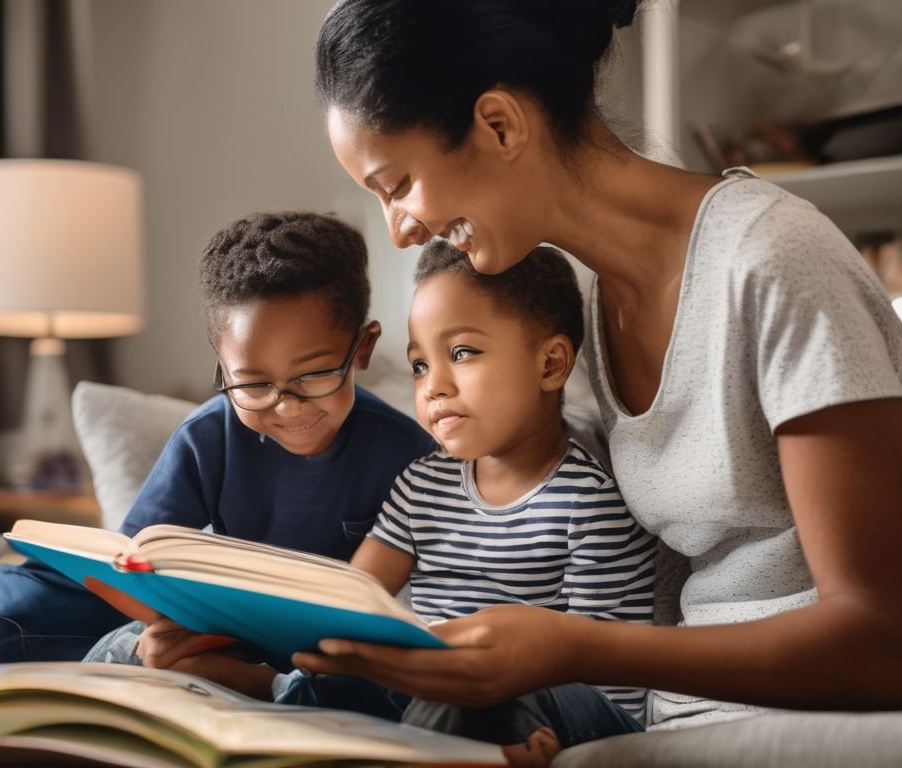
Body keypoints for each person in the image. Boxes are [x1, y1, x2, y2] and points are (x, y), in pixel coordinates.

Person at [295, 0, 902, 735]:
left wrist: (572, 648)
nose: (401, 232)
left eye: (397, 186)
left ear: (500, 124)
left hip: (807, 722)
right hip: (675, 722)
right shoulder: (591, 300)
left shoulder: (771, 261)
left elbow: (881, 641)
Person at [0, 209, 433, 677]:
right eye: (253, 383)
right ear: (221, 366)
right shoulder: (212, 433)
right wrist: (180, 622)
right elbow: (129, 570)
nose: (286, 405)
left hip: (265, 644)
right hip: (133, 606)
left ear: (365, 348)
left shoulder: (406, 454)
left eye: (314, 375)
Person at [118, 242, 656, 767]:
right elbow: (346, 603)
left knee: (465, 699)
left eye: (462, 353)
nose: (434, 386)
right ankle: (306, 703)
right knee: (369, 676)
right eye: (420, 365)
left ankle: (460, 744)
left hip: (561, 702)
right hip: (433, 690)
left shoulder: (587, 501)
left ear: (551, 364)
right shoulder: (423, 484)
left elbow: (604, 671)